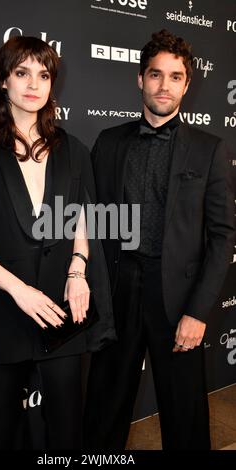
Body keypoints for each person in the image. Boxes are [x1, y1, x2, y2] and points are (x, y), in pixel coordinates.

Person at [0, 36, 115, 450]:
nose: (33, 84)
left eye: (43, 74)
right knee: (2, 426)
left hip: (62, 305)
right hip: (2, 307)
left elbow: (82, 219)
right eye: (22, 73)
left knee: (67, 426)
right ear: (4, 80)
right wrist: (19, 291)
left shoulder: (73, 150)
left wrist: (78, 272)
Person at [84, 29, 235, 450]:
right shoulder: (109, 143)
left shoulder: (209, 149)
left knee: (183, 411)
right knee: (104, 403)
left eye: (174, 76)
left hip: (179, 297)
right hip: (117, 290)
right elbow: (92, 222)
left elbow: (223, 237)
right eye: (155, 75)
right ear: (140, 80)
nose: (163, 85)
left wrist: (199, 311)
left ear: (187, 84)